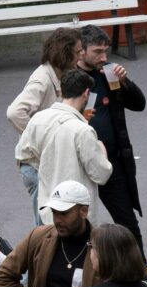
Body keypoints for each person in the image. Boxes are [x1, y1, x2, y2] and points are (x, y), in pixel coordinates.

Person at [15, 69, 114, 226]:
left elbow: (23, 156)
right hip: (76, 215)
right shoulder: (83, 130)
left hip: (48, 209)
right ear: (86, 93)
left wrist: (44, 174)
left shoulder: (38, 119)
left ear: (62, 91)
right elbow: (101, 174)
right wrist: (102, 150)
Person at [75, 27, 147, 238]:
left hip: (112, 162)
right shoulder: (71, 77)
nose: (104, 57)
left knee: (128, 224)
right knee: (81, 225)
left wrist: (124, 82)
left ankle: (138, 271)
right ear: (81, 51)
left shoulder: (108, 73)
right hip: (81, 163)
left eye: (106, 51)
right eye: (97, 51)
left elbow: (138, 104)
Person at [7, 28, 84, 205]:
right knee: (46, 226)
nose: (81, 56)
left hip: (43, 164)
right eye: (78, 52)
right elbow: (14, 113)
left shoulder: (59, 73)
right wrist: (39, 137)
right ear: (65, 52)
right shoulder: (42, 78)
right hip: (35, 166)